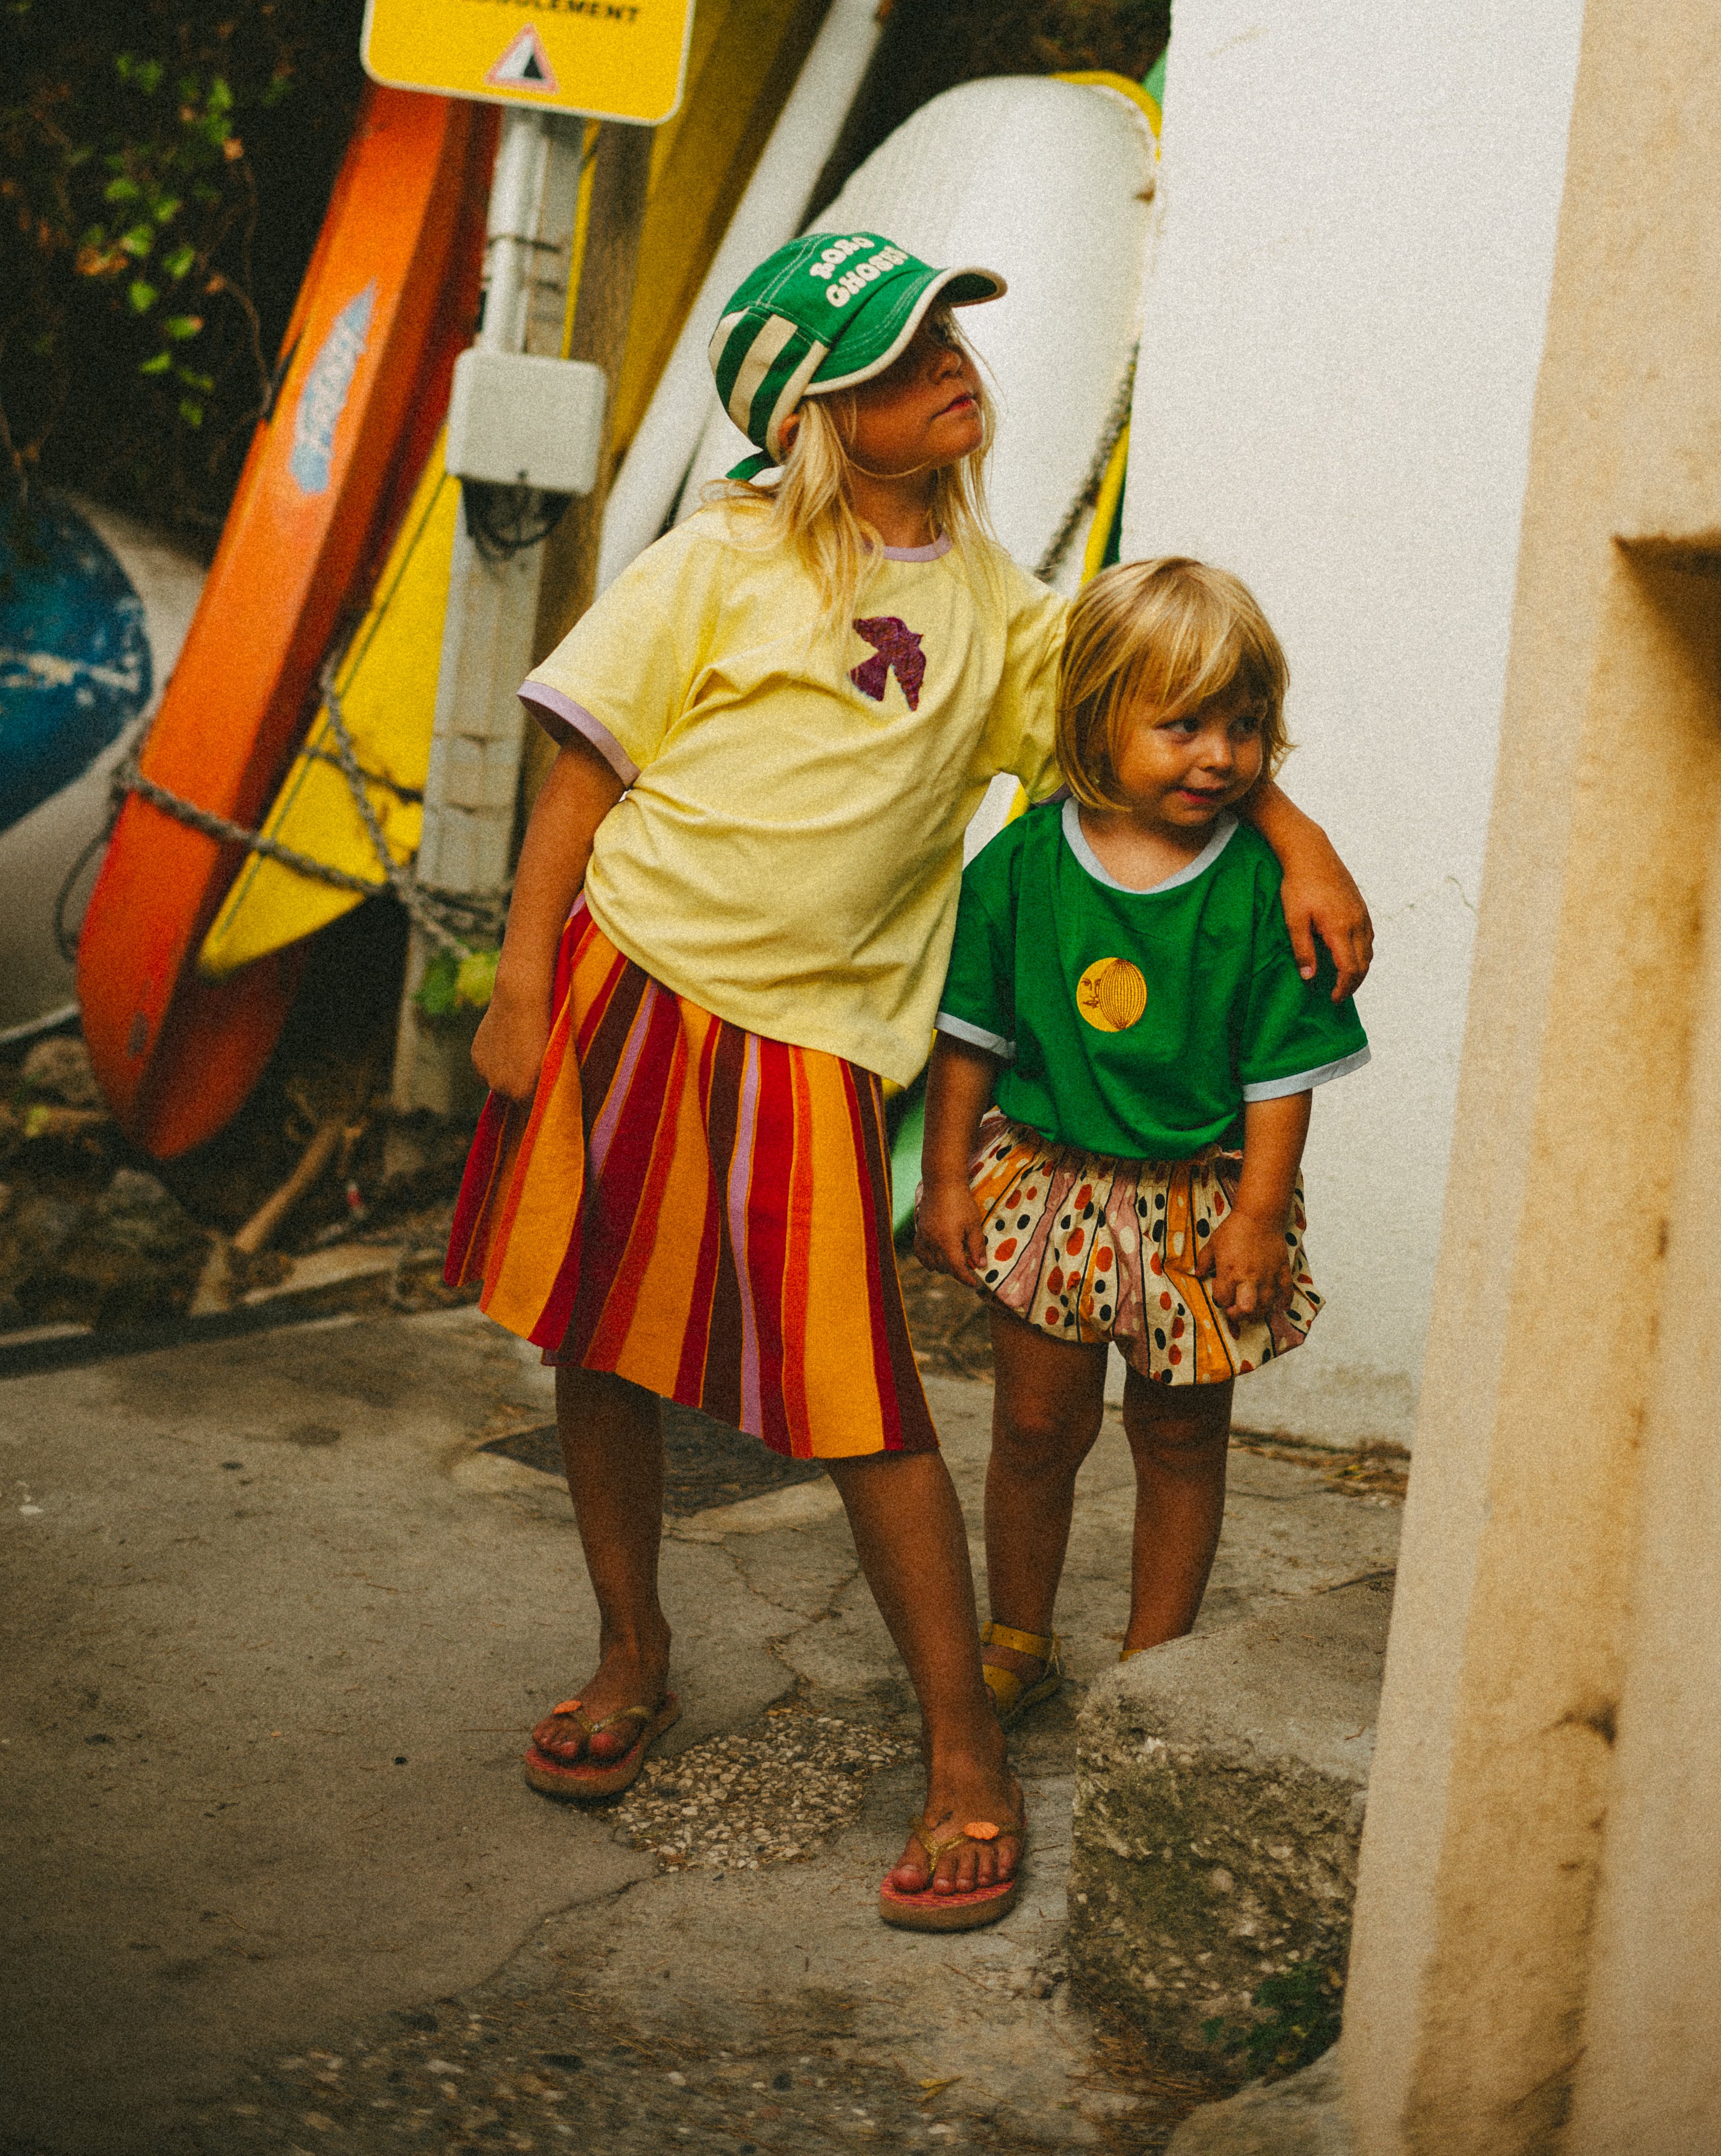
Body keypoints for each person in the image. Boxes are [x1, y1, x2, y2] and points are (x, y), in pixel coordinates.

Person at [446, 230, 1372, 1931]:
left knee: (858, 1406)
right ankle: (632, 1642)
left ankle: (965, 1749)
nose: (949, 358)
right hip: (630, 988)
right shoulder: (712, 562)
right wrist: (519, 984)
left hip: (809, 1048)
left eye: (945, 328)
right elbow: (582, 767)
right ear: (818, 411)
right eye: (893, 353)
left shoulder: (1000, 605)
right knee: (597, 1337)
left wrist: (1296, 834)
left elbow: (1136, 713)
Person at [914, 558, 1368, 1722]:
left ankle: (1153, 1671)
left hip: (1202, 1207)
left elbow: (1280, 1076)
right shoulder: (1021, 863)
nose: (1218, 756)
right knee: (1031, 1426)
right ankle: (1016, 1636)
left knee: (1178, 1440)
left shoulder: (1266, 885)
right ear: (1094, 715)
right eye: (1181, 726)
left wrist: (1261, 1217)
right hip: (1051, 1184)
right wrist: (945, 1177)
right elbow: (969, 1035)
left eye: (1244, 727)